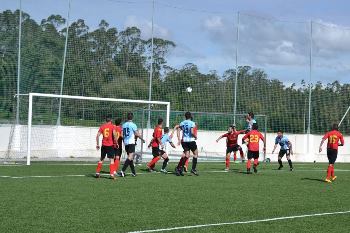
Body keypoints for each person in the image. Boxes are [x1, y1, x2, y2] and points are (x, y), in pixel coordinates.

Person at [119, 112, 145, 177]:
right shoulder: (133, 125)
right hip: (131, 142)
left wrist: (125, 139)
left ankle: (133, 172)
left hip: (126, 142)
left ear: (127, 117)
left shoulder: (124, 125)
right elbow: (136, 134)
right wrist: (142, 139)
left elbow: (121, 135)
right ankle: (122, 171)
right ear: (132, 117)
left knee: (130, 158)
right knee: (130, 157)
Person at [175, 112, 199, 176]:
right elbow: (191, 132)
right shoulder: (192, 123)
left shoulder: (182, 123)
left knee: (187, 156)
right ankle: (193, 169)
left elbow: (178, 130)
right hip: (190, 141)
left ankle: (179, 168)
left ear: (185, 116)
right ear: (190, 116)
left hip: (184, 141)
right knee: (195, 154)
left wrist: (179, 139)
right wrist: (195, 136)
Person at [95, 115, 118, 179]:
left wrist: (97, 144)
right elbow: (114, 135)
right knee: (112, 160)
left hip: (103, 145)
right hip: (110, 145)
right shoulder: (112, 126)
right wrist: (116, 143)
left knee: (101, 159)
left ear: (106, 120)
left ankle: (97, 172)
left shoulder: (102, 126)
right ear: (111, 120)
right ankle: (112, 174)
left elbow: (97, 136)